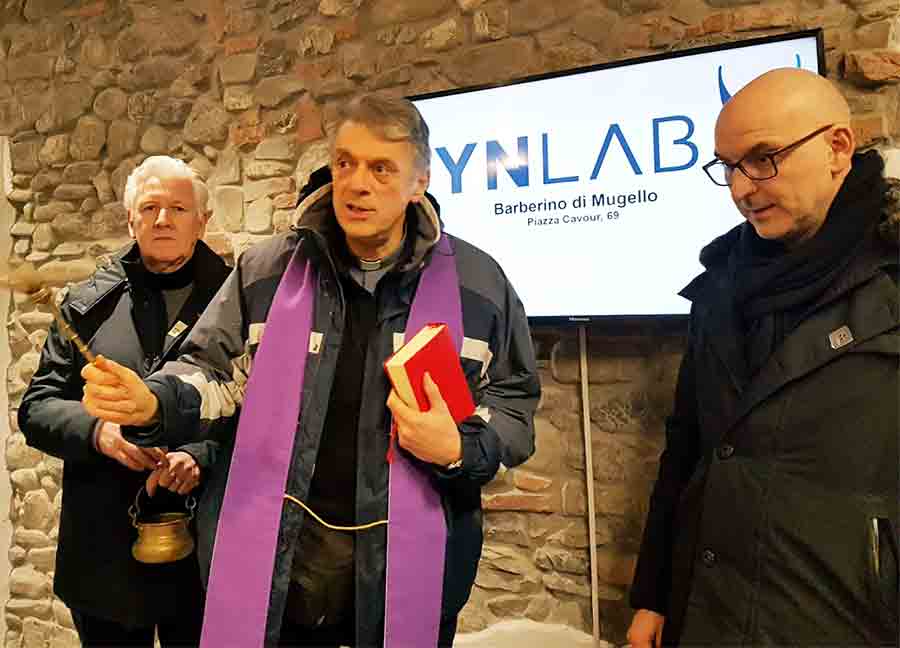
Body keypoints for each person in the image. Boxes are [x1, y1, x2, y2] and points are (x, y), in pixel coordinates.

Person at [80, 93, 540, 647]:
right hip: (279, 582)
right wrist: (155, 401)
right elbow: (213, 371)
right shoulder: (265, 272)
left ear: (419, 182)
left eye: (381, 168)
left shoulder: (479, 286)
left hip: (407, 578)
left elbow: (513, 403)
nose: (357, 184)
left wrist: (459, 448)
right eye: (346, 162)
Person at [626, 68, 899, 646]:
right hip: (709, 617)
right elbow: (687, 449)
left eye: (763, 158)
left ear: (837, 148)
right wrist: (654, 594)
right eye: (728, 166)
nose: (741, 188)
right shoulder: (719, 286)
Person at [19, 155, 231, 646]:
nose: (163, 220)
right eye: (150, 208)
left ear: (202, 221)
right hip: (105, 555)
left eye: (178, 209)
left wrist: (199, 455)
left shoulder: (236, 303)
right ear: (130, 219)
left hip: (206, 553)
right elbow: (37, 407)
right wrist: (100, 432)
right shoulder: (87, 303)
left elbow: (260, 413)